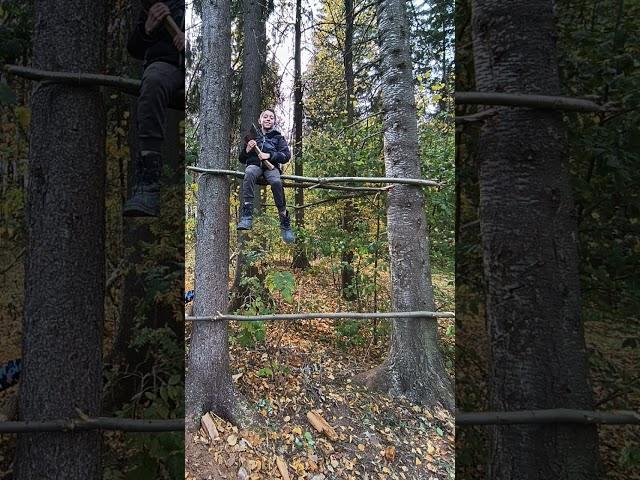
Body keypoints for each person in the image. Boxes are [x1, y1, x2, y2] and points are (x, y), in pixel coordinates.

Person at [123, 1, 185, 217]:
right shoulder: (159, 2)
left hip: (202, 69)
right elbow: (134, 48)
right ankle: (148, 184)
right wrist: (147, 28)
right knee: (154, 80)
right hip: (166, 65)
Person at [238, 109, 295, 244]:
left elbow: (286, 156)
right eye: (265, 117)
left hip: (271, 167)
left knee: (276, 182)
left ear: (274, 121)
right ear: (260, 120)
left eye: (271, 117)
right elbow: (241, 158)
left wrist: (269, 155)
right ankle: (247, 216)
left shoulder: (278, 138)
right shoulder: (253, 136)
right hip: (255, 165)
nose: (268, 119)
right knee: (250, 172)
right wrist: (247, 150)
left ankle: (284, 221)